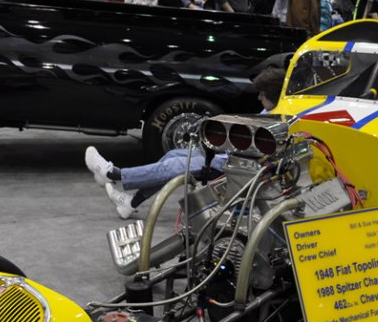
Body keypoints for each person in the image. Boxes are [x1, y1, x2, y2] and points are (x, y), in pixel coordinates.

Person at [86, 67, 287, 219]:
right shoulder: (268, 112)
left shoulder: (276, 119)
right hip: (228, 157)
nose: (259, 97)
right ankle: (131, 202)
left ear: (273, 93)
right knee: (173, 156)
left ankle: (114, 174)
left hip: (238, 166)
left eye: (262, 93)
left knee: (178, 165)